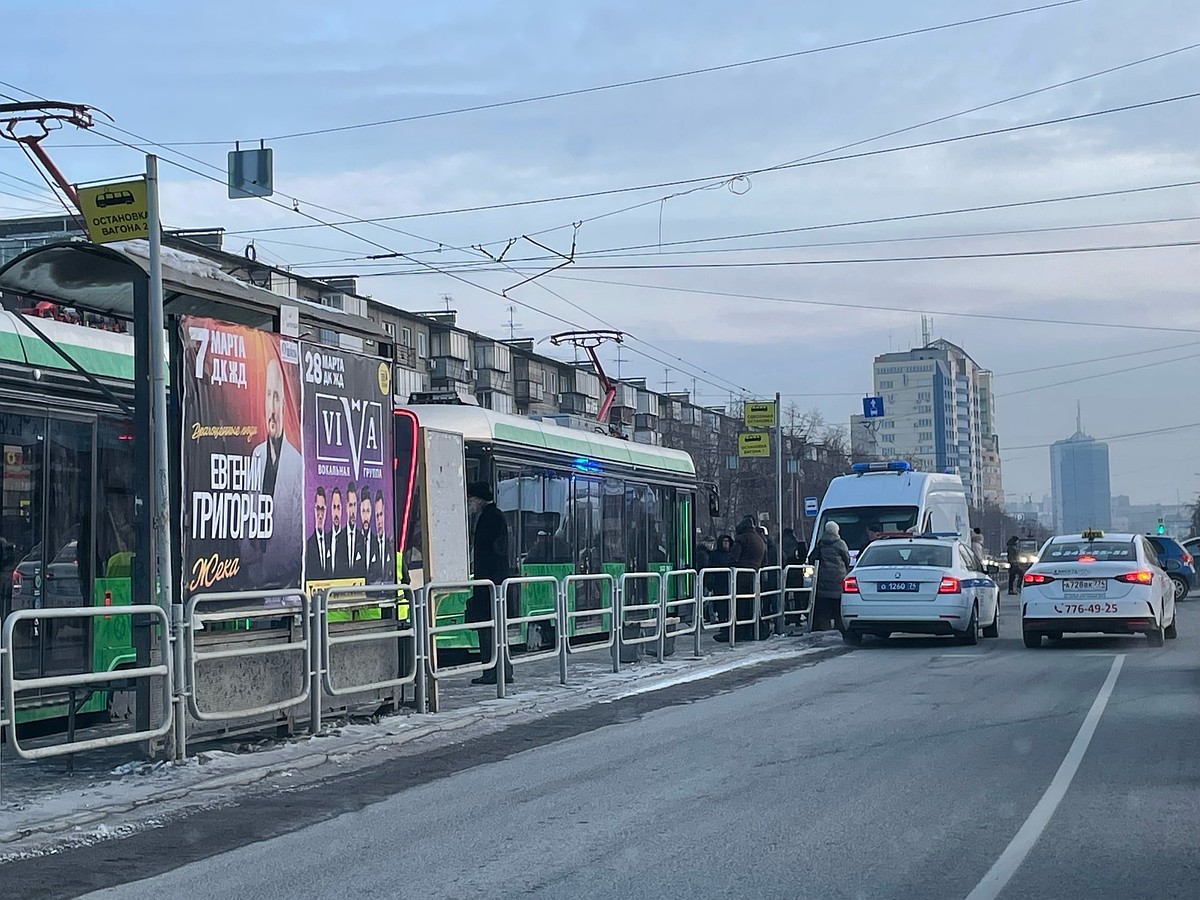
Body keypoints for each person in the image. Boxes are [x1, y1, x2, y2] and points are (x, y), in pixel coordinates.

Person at [245, 358, 304, 587]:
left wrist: (271, 569)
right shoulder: (256, 456)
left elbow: (297, 536)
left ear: (284, 407)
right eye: (268, 395)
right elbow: (245, 520)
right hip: (253, 579)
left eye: (277, 396)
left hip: (284, 583)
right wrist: (251, 565)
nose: (271, 405)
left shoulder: (296, 464)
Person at [467, 481, 513, 685]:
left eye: (471, 498)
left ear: (478, 499)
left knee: (488, 629)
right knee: (497, 629)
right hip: (495, 583)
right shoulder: (497, 516)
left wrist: (487, 581)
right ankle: (503, 671)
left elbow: (492, 551)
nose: (470, 502)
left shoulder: (489, 518)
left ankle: (492, 671)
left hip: (489, 584)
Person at [809, 521, 851, 631]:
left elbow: (812, 558)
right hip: (838, 581)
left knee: (823, 611)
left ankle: (823, 629)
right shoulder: (840, 544)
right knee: (838, 609)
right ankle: (840, 628)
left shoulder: (820, 543)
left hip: (823, 581)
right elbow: (847, 559)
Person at [305, 487, 332, 582]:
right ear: (314, 510)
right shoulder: (308, 545)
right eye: (318, 509)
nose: (320, 515)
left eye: (322, 509)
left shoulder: (331, 541)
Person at [370, 491, 391, 584]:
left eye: (381, 514)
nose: (379, 520)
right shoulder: (370, 546)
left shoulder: (391, 545)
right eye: (377, 515)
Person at [327, 487, 346, 578]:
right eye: (334, 507)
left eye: (338, 507)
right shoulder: (325, 540)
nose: (336, 513)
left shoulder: (347, 540)